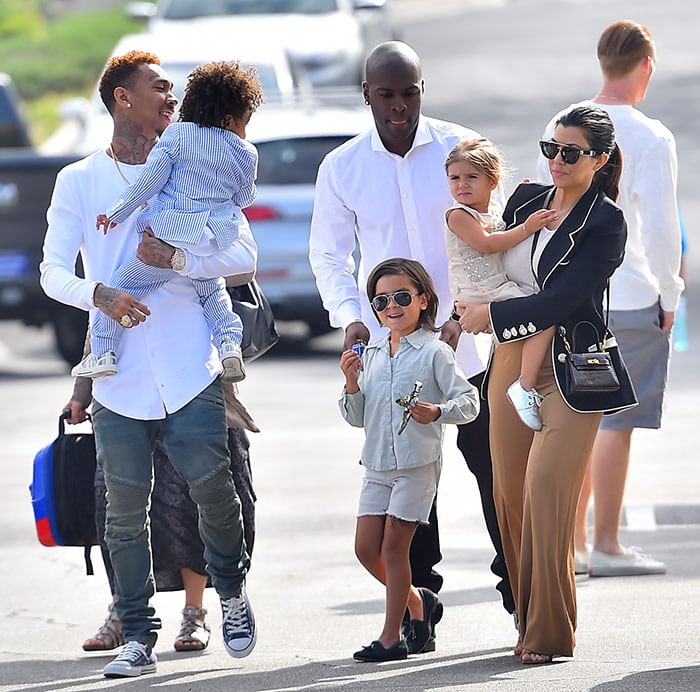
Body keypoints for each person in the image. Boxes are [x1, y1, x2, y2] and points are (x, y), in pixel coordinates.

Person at [40, 50, 258, 678]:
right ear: (121, 100)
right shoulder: (79, 180)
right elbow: (53, 272)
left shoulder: (200, 158)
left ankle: (231, 592)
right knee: (124, 513)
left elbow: (241, 253)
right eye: (159, 89)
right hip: (118, 375)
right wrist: (98, 293)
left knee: (215, 493)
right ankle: (138, 635)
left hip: (192, 362)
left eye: (175, 90)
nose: (172, 98)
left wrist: (178, 260)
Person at [309, 40, 516, 644]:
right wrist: (351, 315)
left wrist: (468, 314)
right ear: (367, 94)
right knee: (406, 484)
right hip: (392, 355)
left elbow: (495, 235)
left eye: (409, 93)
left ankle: (521, 599)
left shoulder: (460, 149)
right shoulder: (342, 167)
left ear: (422, 91)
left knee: (496, 475)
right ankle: (419, 609)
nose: (399, 106)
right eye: (386, 94)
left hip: (471, 347)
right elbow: (329, 255)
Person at [458, 105, 638, 663]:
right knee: (509, 496)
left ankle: (549, 633)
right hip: (510, 362)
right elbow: (483, 250)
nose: (557, 160)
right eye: (551, 148)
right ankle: (526, 615)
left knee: (545, 492)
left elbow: (563, 300)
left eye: (571, 152)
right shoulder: (525, 202)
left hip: (573, 367)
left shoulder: (605, 222)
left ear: (599, 159)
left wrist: (493, 317)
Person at [536, 20, 684, 577]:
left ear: (603, 61)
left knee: (575, 413)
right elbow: (662, 229)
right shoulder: (651, 136)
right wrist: (671, 292)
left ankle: (571, 545)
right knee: (613, 421)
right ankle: (605, 544)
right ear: (646, 65)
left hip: (568, 292)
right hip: (628, 292)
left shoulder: (562, 123)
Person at [72, 60, 264, 384]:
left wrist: (117, 212)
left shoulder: (178, 134)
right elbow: (245, 198)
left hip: (170, 232)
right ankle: (230, 345)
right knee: (213, 293)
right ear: (230, 119)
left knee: (118, 286)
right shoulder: (247, 151)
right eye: (246, 122)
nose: (245, 130)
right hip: (212, 237)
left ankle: (103, 352)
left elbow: (149, 181)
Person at [339, 258, 479, 662]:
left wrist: (438, 411)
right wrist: (351, 381)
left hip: (417, 466)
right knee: (367, 548)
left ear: (423, 300)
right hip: (377, 466)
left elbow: (469, 401)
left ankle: (390, 637)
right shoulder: (374, 352)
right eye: (381, 301)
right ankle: (419, 603)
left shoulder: (436, 351)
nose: (391, 307)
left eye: (402, 296)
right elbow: (355, 417)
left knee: (394, 549)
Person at [63, 372, 257, 654]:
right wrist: (82, 392)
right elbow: (97, 331)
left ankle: (195, 613)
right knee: (117, 511)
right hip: (124, 396)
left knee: (189, 507)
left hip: (190, 387)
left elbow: (227, 328)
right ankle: (125, 614)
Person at [444, 138, 556, 430]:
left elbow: (503, 226)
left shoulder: (491, 211)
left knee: (543, 310)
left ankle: (523, 380)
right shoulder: (458, 215)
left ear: (492, 181)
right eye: (454, 178)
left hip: (496, 285)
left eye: (471, 177)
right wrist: (527, 226)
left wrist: (525, 198)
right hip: (481, 291)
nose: (461, 185)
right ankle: (525, 386)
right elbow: (489, 244)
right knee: (545, 317)